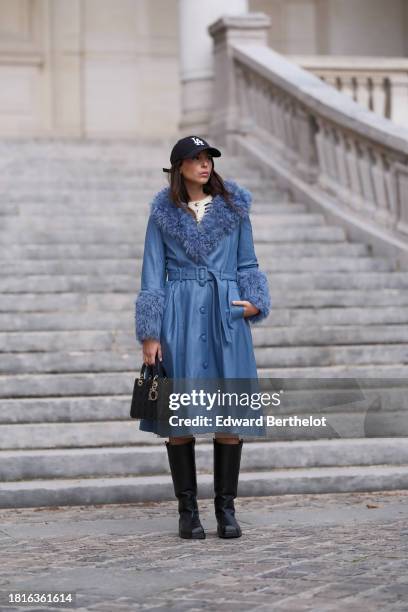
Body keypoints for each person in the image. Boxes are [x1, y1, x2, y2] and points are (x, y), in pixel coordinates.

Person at [134, 135, 272, 540]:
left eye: (207, 157)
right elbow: (150, 273)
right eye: (195, 159)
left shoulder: (234, 209)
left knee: (230, 413)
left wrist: (253, 303)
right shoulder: (163, 214)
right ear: (179, 167)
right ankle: (188, 512)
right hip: (179, 316)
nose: (204, 164)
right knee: (180, 417)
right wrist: (150, 332)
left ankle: (226, 511)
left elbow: (248, 262)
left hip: (225, 315)